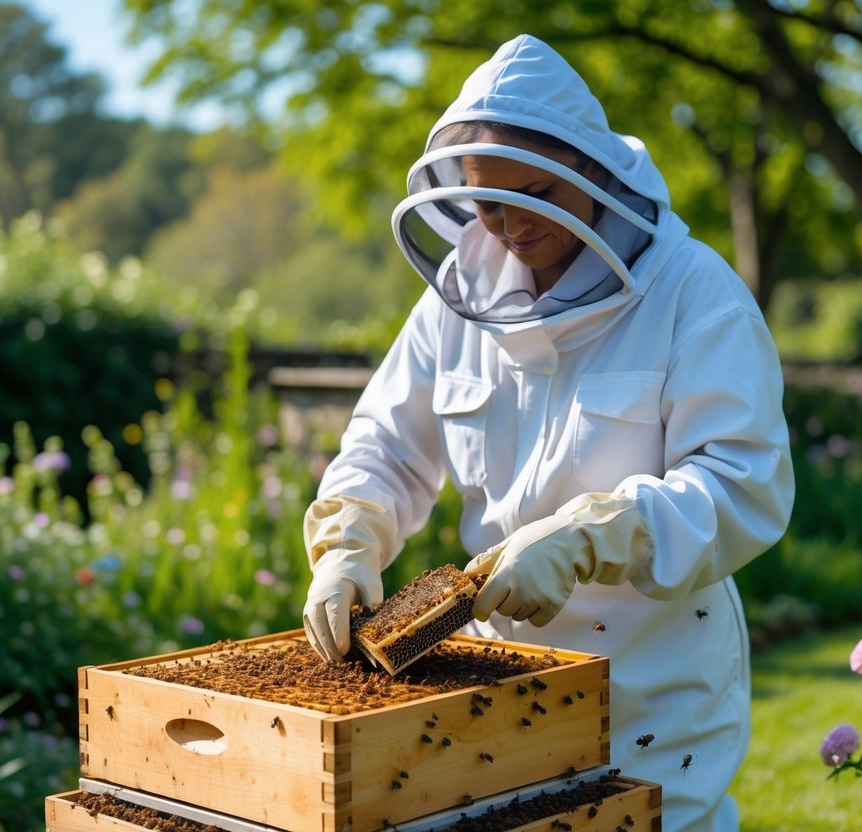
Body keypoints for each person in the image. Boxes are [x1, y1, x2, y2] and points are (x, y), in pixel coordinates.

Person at [300, 34, 794, 832]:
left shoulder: (694, 294)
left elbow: (741, 483)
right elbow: (387, 445)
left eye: (532, 196)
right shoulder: (455, 302)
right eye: (484, 200)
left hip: (652, 692)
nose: (504, 224)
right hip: (494, 686)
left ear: (591, 176)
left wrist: (589, 535)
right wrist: (349, 538)